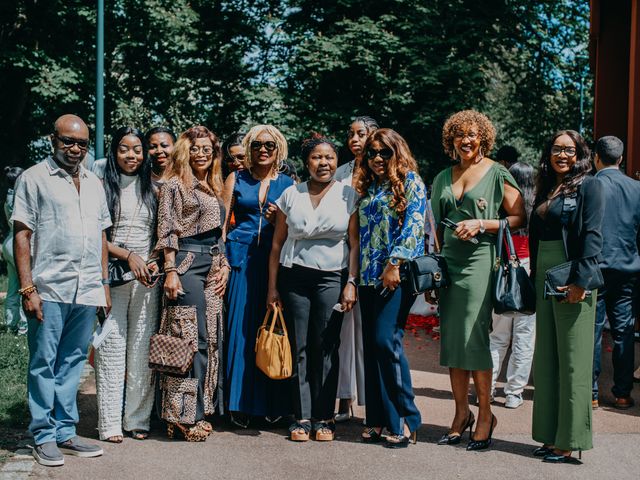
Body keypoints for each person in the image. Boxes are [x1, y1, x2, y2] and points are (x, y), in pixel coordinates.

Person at [12, 114, 109, 466]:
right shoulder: (34, 178)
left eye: (81, 143)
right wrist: (27, 288)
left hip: (85, 290)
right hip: (49, 287)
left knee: (71, 362)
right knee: (43, 362)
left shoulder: (94, 182)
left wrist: (103, 284)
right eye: (68, 141)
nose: (75, 148)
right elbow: (22, 234)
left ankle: (66, 430)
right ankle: (42, 434)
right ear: (53, 140)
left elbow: (101, 234)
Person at [431, 110, 525, 451]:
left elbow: (518, 217)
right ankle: (460, 414)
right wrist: (434, 274)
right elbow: (434, 227)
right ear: (451, 141)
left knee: (474, 339)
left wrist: (483, 224)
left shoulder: (498, 174)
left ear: (483, 138)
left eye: (472, 135)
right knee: (453, 342)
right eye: (459, 135)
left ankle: (486, 413)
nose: (466, 140)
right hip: (449, 267)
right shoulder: (442, 176)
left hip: (480, 263)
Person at [267, 135, 359, 442]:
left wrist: (351, 282)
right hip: (294, 277)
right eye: (318, 158)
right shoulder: (291, 195)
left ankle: (324, 417)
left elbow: (355, 244)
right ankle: (302, 417)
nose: (324, 163)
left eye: (330, 158)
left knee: (326, 346)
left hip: (332, 277)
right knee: (300, 347)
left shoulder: (349, 195)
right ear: (307, 163)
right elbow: (277, 245)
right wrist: (272, 288)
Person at [529, 129, 603, 463]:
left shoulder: (590, 185)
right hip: (544, 273)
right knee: (547, 359)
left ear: (581, 153)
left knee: (573, 361)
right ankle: (549, 433)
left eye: (569, 150)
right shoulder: (547, 185)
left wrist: (581, 281)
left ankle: (570, 439)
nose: (562, 155)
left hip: (572, 276)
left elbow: (592, 234)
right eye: (557, 149)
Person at [155, 125, 230, 441]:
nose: (202, 154)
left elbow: (218, 232)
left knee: (209, 340)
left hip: (212, 265)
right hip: (186, 264)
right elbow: (168, 230)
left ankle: (199, 409)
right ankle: (182, 416)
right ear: (186, 151)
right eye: (196, 148)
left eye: (208, 149)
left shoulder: (212, 185)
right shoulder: (174, 185)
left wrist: (223, 263)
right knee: (186, 341)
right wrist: (170, 270)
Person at [356, 128, 426, 448]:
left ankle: (405, 419)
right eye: (371, 153)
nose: (377, 158)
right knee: (372, 347)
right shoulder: (370, 186)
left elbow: (414, 225)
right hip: (368, 278)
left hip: (394, 275)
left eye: (384, 152)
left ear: (397, 151)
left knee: (387, 342)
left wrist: (394, 263)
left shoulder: (410, 181)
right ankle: (377, 419)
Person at [222, 125, 294, 427]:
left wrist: (279, 218)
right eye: (256, 145)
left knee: (272, 329)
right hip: (241, 259)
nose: (263, 150)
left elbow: (295, 225)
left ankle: (273, 402)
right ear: (249, 149)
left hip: (274, 261)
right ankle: (239, 403)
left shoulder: (290, 184)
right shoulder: (236, 178)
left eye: (269, 145)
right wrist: (221, 261)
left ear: (278, 150)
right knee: (240, 329)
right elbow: (222, 225)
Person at [94, 127, 160, 442]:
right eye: (124, 149)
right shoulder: (101, 187)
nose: (131, 155)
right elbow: (96, 237)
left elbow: (163, 235)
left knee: (140, 350)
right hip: (112, 276)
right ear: (114, 152)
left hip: (146, 279)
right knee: (111, 346)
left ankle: (137, 419)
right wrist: (128, 255)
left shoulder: (154, 189)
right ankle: (108, 423)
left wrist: (153, 260)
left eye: (136, 149)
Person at [333, 115, 379, 421]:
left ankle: (374, 402)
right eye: (350, 134)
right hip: (343, 256)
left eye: (360, 133)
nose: (354, 139)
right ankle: (344, 400)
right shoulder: (340, 173)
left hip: (373, 258)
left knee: (371, 332)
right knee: (343, 331)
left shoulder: (383, 170)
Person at [591, 136, 640, 410]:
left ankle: (592, 393)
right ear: (621, 159)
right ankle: (622, 393)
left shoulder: (592, 185)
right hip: (628, 268)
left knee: (593, 332)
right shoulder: (637, 188)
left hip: (596, 268)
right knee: (623, 332)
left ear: (596, 157)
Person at [489, 161, 536, 409]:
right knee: (525, 337)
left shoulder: (501, 206)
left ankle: (487, 388)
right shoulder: (536, 208)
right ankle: (514, 392)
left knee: (497, 335)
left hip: (505, 270)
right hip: (528, 271)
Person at [2, 166, 27, 334]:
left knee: (12, 286)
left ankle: (11, 323)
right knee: (26, 285)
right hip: (18, 243)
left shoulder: (8, 198)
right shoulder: (21, 199)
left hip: (8, 243)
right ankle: (24, 325)